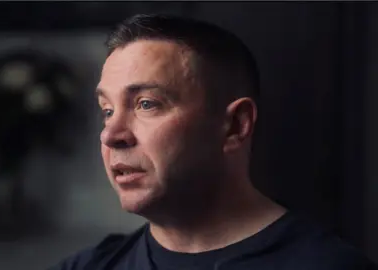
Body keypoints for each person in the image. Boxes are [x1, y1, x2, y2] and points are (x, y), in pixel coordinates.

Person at [49, 14, 376, 270]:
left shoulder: (328, 266)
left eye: (146, 104)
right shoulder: (89, 265)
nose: (111, 135)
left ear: (235, 125)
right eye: (107, 110)